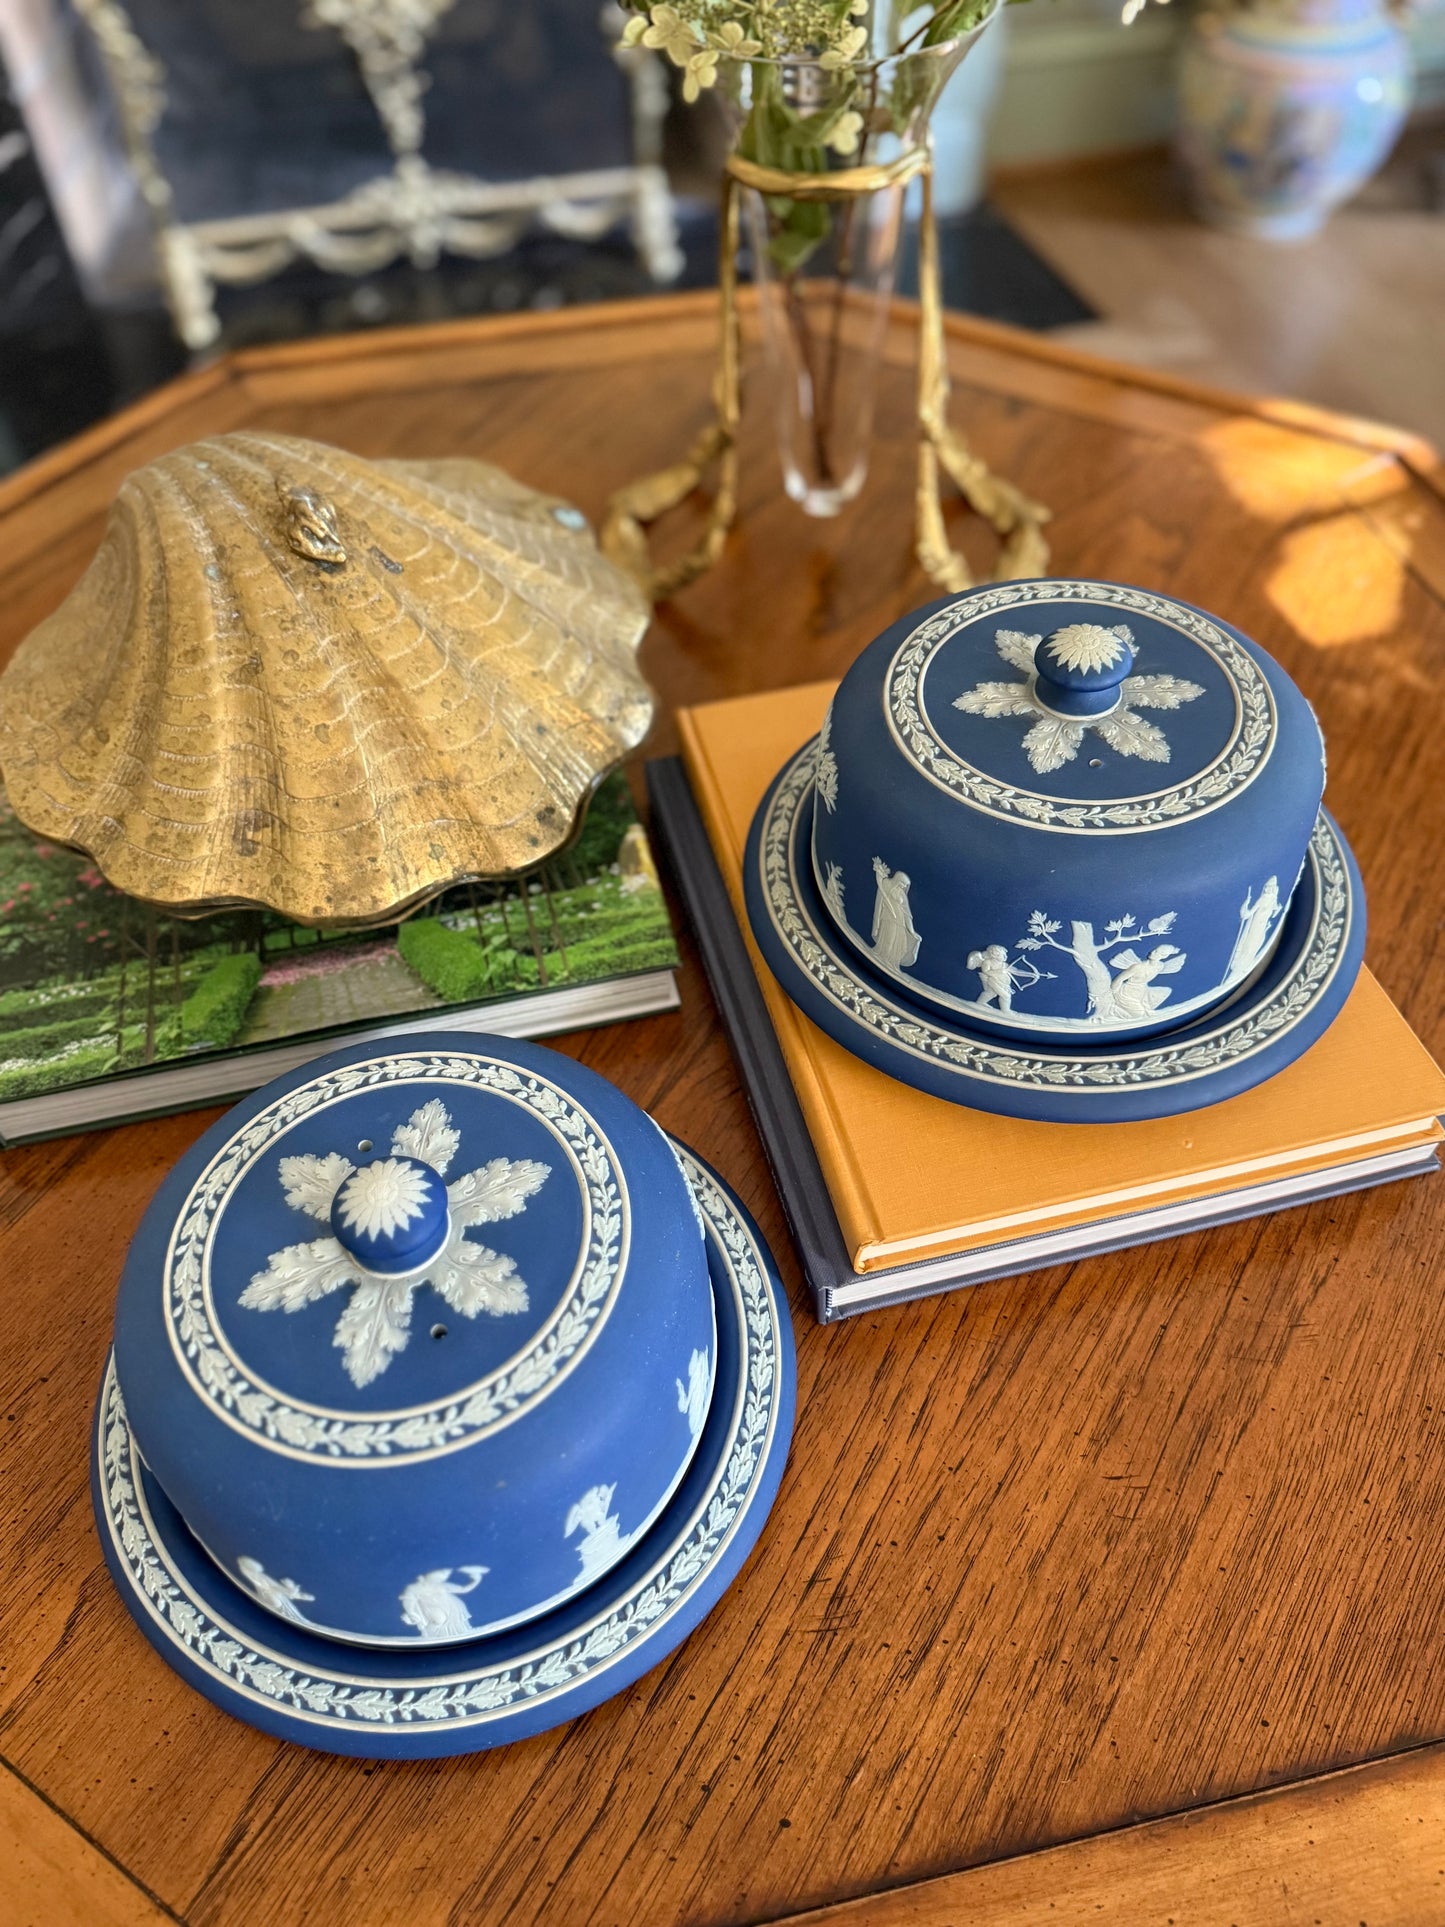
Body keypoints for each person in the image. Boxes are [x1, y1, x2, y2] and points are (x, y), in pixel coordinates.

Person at [870, 858, 921, 973]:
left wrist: (912, 931)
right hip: (888, 918)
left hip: (900, 922)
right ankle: (884, 958)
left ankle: (890, 961)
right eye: (903, 883)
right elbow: (880, 897)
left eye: (905, 885)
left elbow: (907, 914)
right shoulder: (886, 884)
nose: (903, 886)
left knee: (899, 944)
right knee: (889, 939)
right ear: (898, 879)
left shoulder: (902, 896)